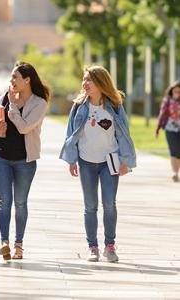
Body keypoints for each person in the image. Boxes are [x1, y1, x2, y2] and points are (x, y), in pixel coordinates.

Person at [60, 65, 136, 263]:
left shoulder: (115, 105)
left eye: (89, 80)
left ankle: (109, 246)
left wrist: (126, 161)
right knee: (90, 206)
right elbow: (71, 134)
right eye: (84, 79)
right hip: (86, 162)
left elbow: (124, 134)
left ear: (101, 83)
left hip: (109, 162)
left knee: (109, 204)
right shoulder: (79, 106)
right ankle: (92, 247)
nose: (85, 83)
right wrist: (72, 160)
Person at [0, 62, 50, 260]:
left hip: (25, 160)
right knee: (4, 201)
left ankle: (19, 244)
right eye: (11, 77)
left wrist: (13, 108)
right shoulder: (2, 97)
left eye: (15, 77)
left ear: (27, 80)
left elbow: (24, 128)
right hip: (1, 158)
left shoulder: (39, 103)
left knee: (20, 202)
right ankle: (4, 242)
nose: (11, 81)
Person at [156, 81, 180, 182]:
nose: (177, 93)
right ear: (172, 91)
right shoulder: (167, 101)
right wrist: (158, 128)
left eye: (179, 92)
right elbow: (162, 114)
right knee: (174, 152)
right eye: (176, 91)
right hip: (170, 129)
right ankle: (175, 173)